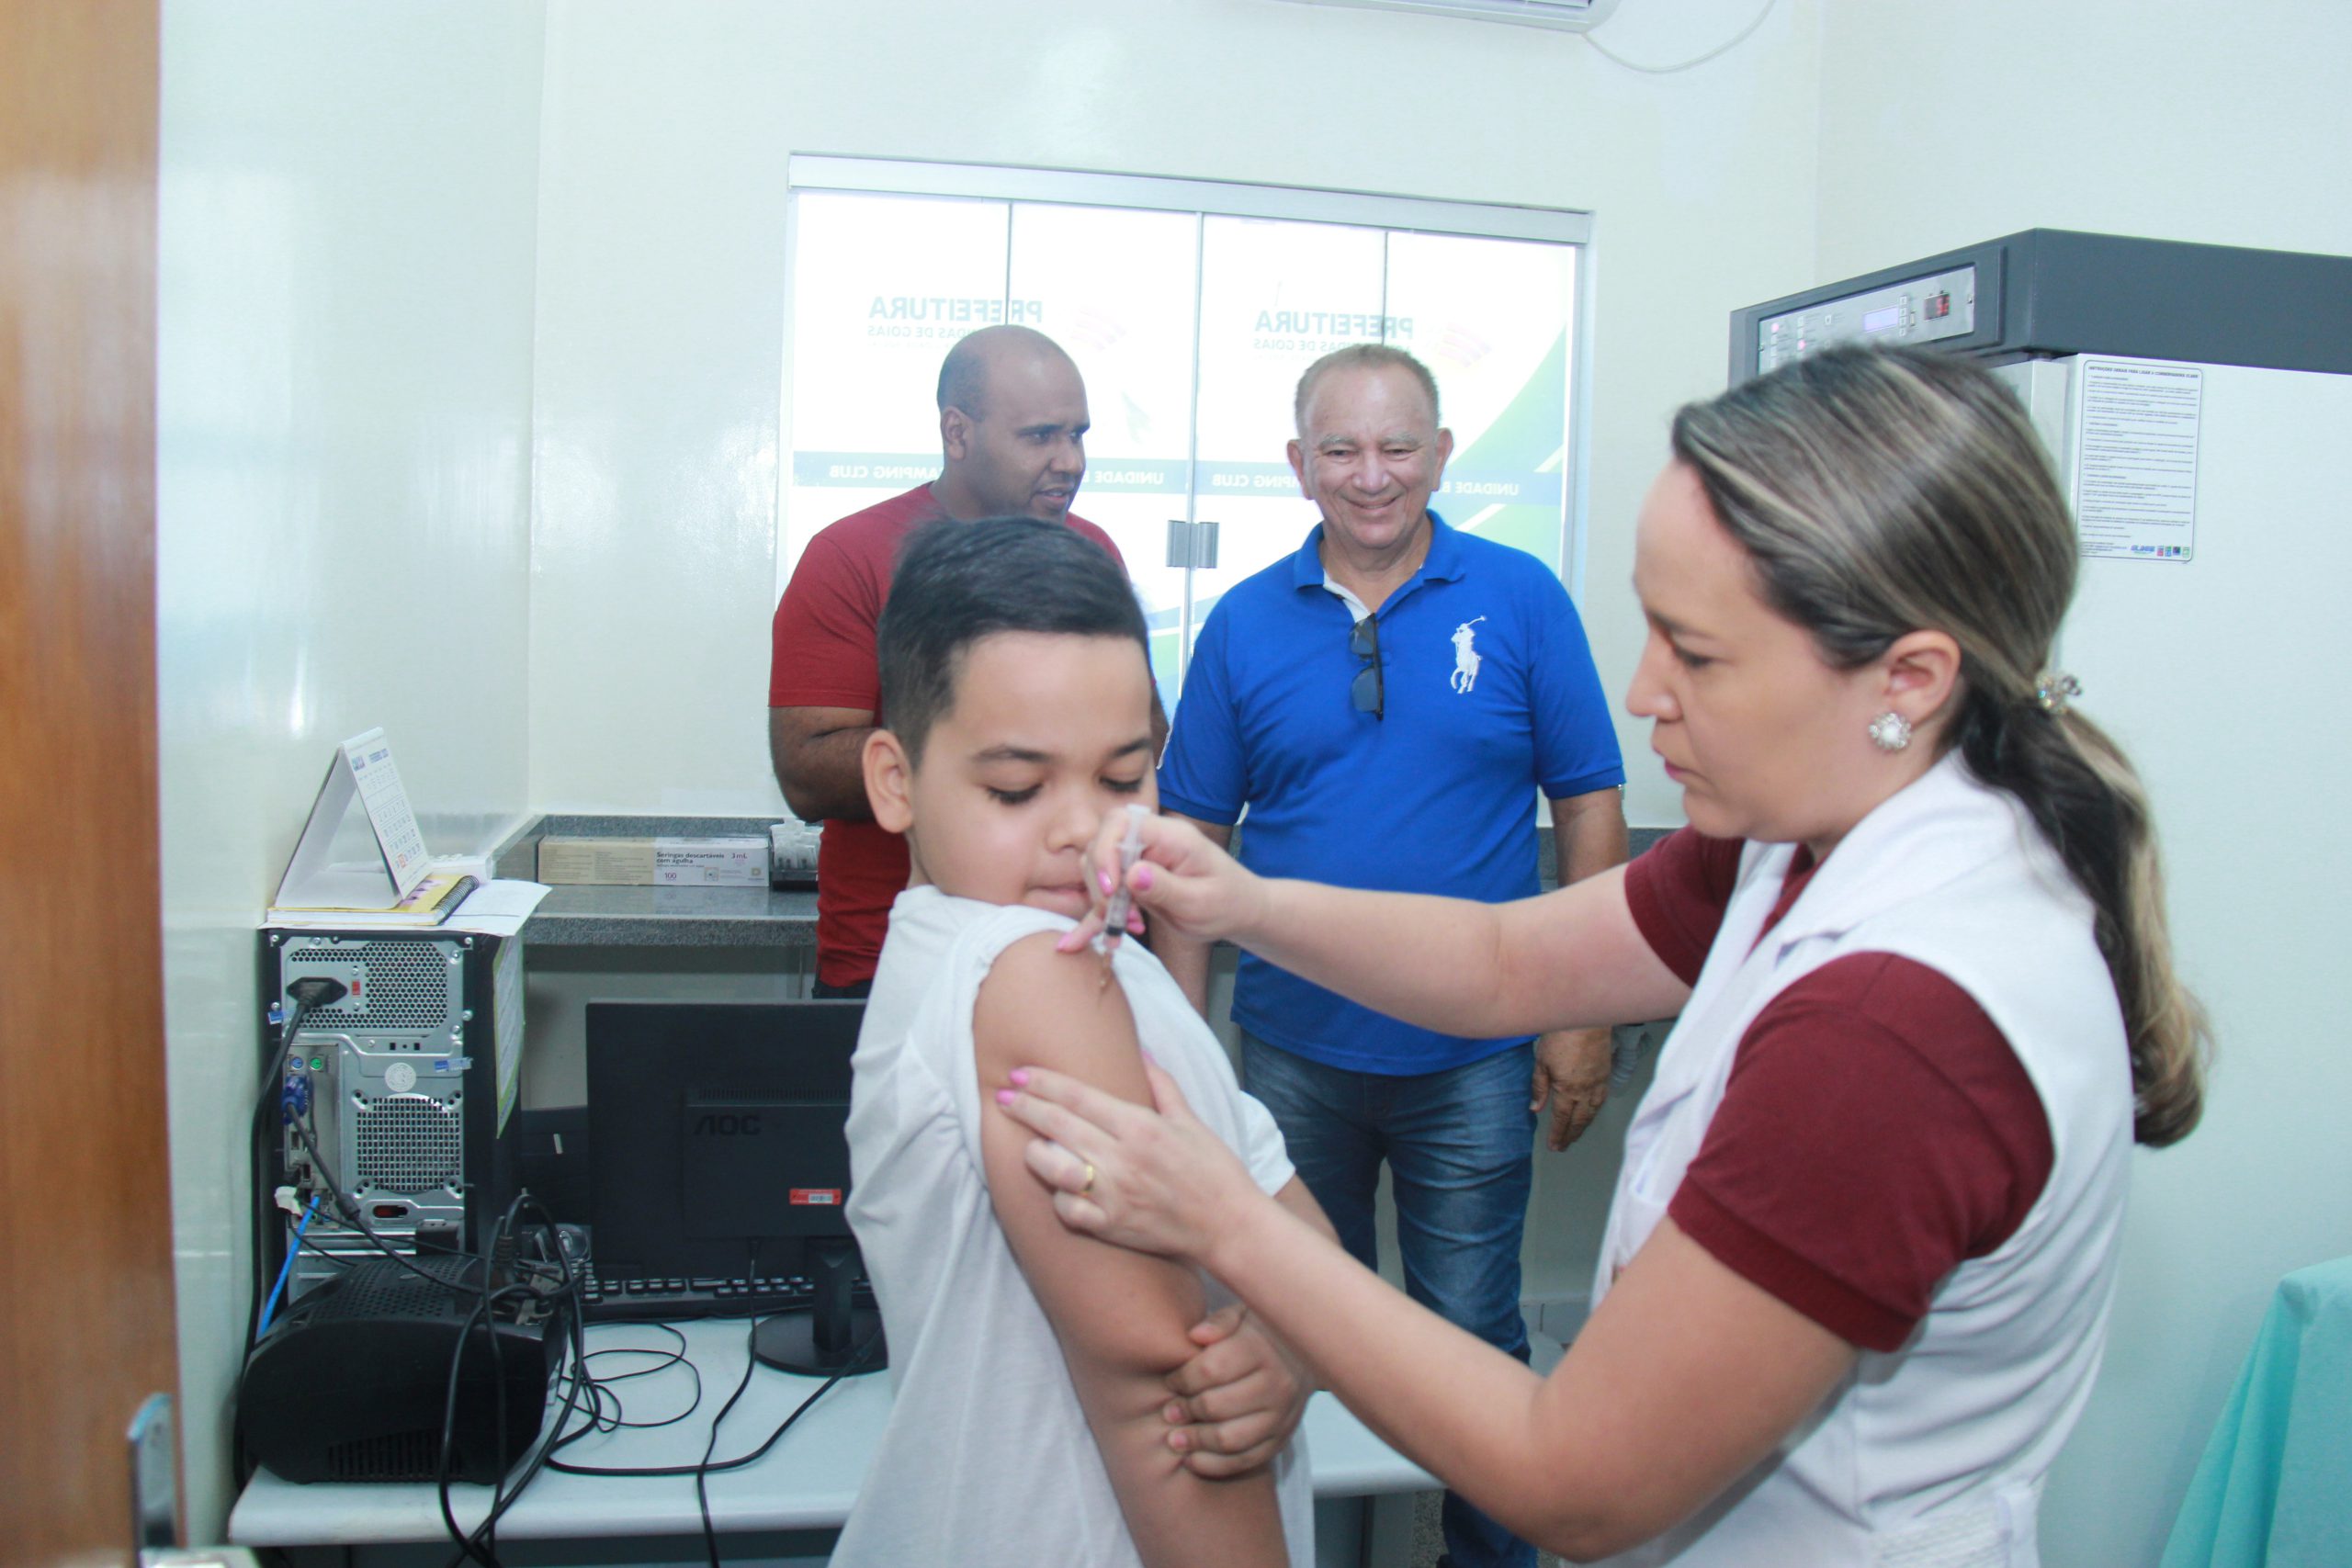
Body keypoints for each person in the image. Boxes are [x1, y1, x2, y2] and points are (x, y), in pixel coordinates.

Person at [1001, 344, 2211, 1564]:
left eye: (1698, 651)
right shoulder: (1795, 842)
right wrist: (1246, 901)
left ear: (1906, 677)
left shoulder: (1895, 1023)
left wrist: (1231, 1223)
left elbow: (1572, 1474)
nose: (1643, 692)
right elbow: (1501, 962)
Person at [1152, 343, 1625, 1567]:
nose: (1373, 475)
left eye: (1399, 446)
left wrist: (1584, 1013)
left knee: (1471, 1341)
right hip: (1294, 1050)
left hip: (1472, 1054)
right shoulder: (1245, 624)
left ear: (1445, 454)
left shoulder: (1520, 598)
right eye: (1344, 449)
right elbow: (1191, 839)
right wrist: (1181, 1055)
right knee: (1287, 1332)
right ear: (1299, 463)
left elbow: (1589, 805)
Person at [832, 516, 1327, 1568]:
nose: (1081, 829)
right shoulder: (1027, 968)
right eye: (1016, 789)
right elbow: (1164, 1394)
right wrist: (1280, 1331)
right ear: (895, 780)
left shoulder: (1112, 957)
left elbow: (1297, 1231)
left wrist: (1285, 1343)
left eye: (1122, 779)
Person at [768, 324, 1124, 998]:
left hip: (1063, 951)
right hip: (893, 965)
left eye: (1077, 434)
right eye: (1040, 435)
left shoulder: (1093, 553)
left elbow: (1136, 740)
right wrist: (1003, 750)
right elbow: (807, 772)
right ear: (957, 433)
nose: (1069, 461)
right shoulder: (850, 555)